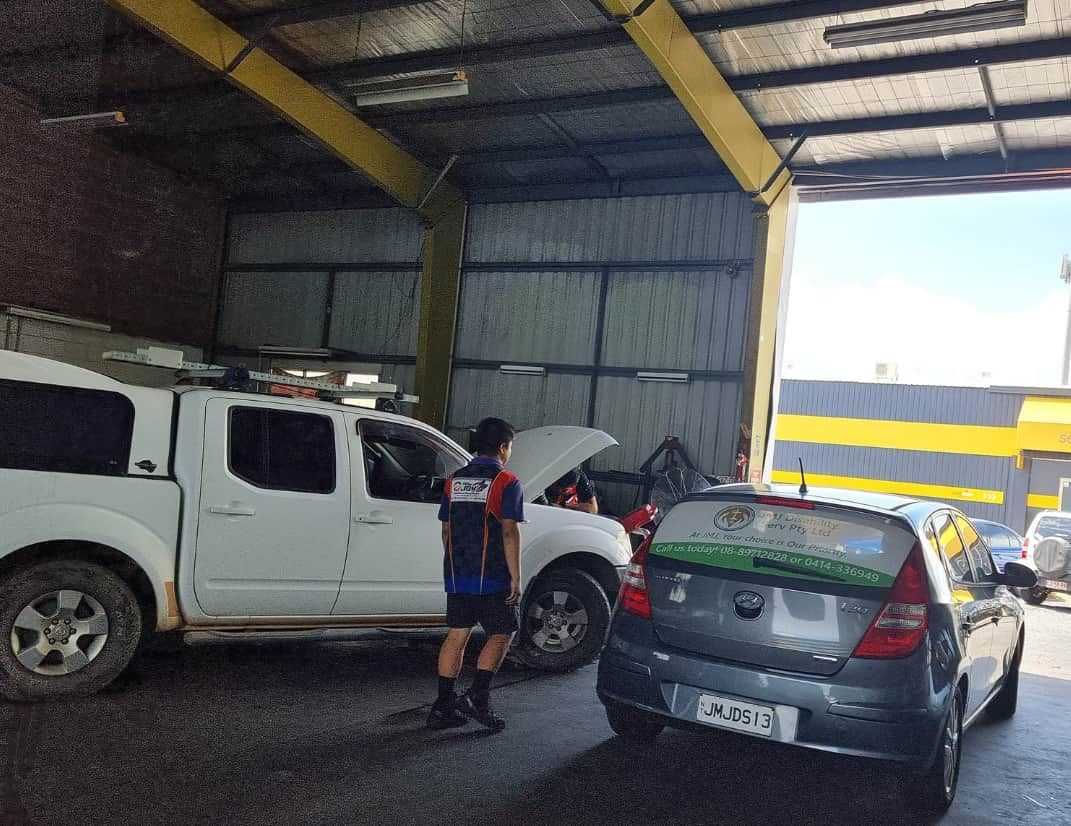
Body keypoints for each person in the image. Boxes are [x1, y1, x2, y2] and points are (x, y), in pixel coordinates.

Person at [428, 417, 524, 732]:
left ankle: (443, 706)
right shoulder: (506, 482)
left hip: (458, 572)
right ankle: (477, 697)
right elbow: (509, 531)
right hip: (492, 574)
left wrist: (456, 563)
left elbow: (445, 530)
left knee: (458, 633)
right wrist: (515, 577)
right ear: (502, 447)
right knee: (503, 632)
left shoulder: (453, 480)